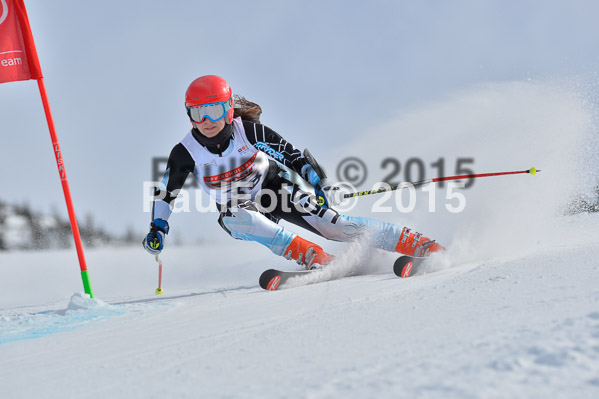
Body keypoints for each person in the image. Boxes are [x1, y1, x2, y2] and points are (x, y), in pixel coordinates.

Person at [143, 75, 444, 269]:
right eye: (198, 112)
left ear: (228, 109)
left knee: (335, 227)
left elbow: (294, 157)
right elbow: (166, 193)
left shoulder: (248, 132)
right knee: (239, 218)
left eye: (214, 110)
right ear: (189, 115)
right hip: (236, 207)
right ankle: (311, 255)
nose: (207, 120)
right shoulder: (184, 153)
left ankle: (414, 242)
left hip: (274, 190)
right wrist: (158, 228)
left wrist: (320, 184)